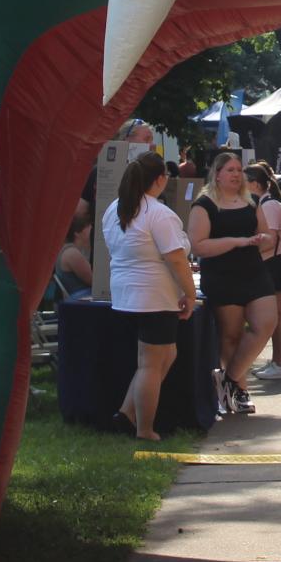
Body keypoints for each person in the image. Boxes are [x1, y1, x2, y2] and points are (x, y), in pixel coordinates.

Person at [103, 151, 197, 440]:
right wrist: (190, 293)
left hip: (126, 293)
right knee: (151, 364)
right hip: (155, 295)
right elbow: (177, 259)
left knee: (166, 354)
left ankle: (127, 413)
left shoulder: (115, 209)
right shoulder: (158, 213)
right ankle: (144, 429)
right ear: (159, 180)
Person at [187, 151, 278, 415]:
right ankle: (238, 389)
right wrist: (237, 242)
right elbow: (198, 245)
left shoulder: (251, 202)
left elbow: (268, 234)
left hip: (254, 272)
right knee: (231, 334)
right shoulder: (204, 205)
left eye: (239, 170)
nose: (237, 174)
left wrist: (264, 240)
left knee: (266, 323)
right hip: (222, 275)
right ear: (217, 174)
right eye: (230, 170)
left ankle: (228, 379)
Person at [245, 162, 281, 381]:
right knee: (278, 314)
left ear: (256, 185)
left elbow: (270, 241)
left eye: (245, 183)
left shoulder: (269, 206)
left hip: (279, 262)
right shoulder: (267, 204)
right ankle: (277, 361)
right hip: (277, 261)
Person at [57, 209, 95, 300]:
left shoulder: (73, 250)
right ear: (77, 233)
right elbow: (94, 281)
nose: (92, 231)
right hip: (81, 300)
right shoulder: (72, 253)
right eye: (89, 228)